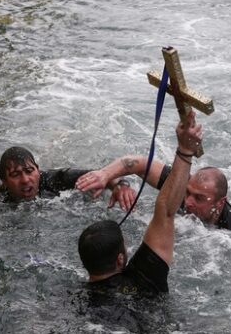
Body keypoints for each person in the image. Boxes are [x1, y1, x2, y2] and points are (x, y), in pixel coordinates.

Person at [77, 110, 202, 294]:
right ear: (120, 259)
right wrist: (185, 150)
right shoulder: (145, 278)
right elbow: (166, 210)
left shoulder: (75, 299)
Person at [75, 152, 231, 230]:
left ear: (220, 202)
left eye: (200, 198)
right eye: (188, 193)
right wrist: (105, 175)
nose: (188, 202)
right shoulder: (181, 187)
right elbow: (139, 163)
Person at [0, 146, 128, 208]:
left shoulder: (56, 180)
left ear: (38, 170)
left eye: (29, 171)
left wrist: (120, 186)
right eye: (15, 175)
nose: (25, 180)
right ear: (4, 181)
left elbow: (103, 175)